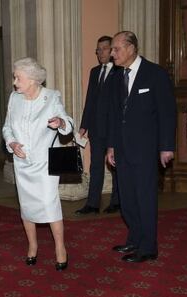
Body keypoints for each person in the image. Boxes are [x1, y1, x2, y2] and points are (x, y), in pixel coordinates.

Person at [106, 31, 176, 263]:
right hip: (122, 149)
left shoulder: (155, 74)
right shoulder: (116, 77)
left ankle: (148, 247)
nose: (111, 54)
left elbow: (167, 113)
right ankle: (135, 239)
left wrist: (166, 147)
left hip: (146, 149)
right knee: (127, 199)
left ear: (131, 48)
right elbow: (115, 116)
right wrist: (111, 146)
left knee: (145, 198)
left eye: (116, 49)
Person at [2, 57, 73, 271]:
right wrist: (11, 142)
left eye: (18, 78)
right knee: (27, 206)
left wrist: (60, 123)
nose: (15, 82)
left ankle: (60, 247)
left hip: (44, 163)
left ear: (32, 79)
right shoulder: (14, 98)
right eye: (15, 77)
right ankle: (32, 246)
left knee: (50, 204)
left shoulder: (51, 97)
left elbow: (68, 123)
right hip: (22, 163)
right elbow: (7, 127)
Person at [75, 36, 121, 215]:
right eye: (98, 49)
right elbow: (90, 101)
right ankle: (92, 204)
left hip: (113, 129)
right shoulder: (95, 72)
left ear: (112, 50)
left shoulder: (119, 71)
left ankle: (117, 201)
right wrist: (84, 125)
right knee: (95, 166)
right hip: (96, 128)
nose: (100, 53)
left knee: (115, 166)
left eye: (104, 48)